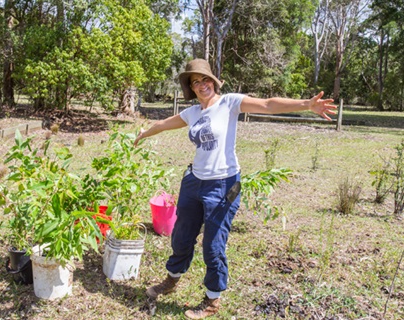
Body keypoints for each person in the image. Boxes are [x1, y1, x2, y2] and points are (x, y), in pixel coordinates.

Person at [133, 58, 336, 319]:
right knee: (182, 237)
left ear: (213, 82)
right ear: (192, 88)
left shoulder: (229, 103)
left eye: (205, 79)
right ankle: (172, 279)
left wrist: (306, 105)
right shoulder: (193, 113)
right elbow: (164, 124)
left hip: (224, 184)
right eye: (196, 82)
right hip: (193, 182)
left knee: (213, 245)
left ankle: (211, 301)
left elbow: (267, 104)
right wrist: (143, 134)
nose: (202, 84)